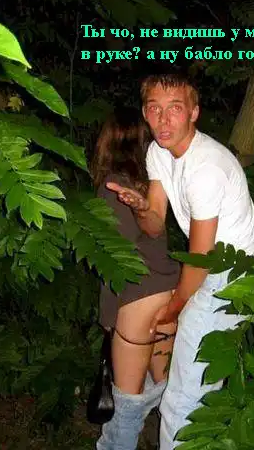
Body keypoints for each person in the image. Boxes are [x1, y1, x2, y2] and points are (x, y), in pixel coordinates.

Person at [106, 74, 254, 449]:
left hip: (229, 278)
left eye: (174, 108)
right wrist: (141, 207)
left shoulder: (206, 167)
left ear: (194, 112)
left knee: (181, 403)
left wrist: (173, 309)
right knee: (195, 389)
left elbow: (201, 257)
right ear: (145, 113)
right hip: (209, 270)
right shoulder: (159, 153)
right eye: (154, 109)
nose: (163, 119)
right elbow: (155, 224)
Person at [90, 106, 181, 450]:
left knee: (126, 404)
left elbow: (118, 261)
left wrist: (108, 316)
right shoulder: (151, 187)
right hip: (169, 292)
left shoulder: (113, 189)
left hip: (137, 299)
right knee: (169, 392)